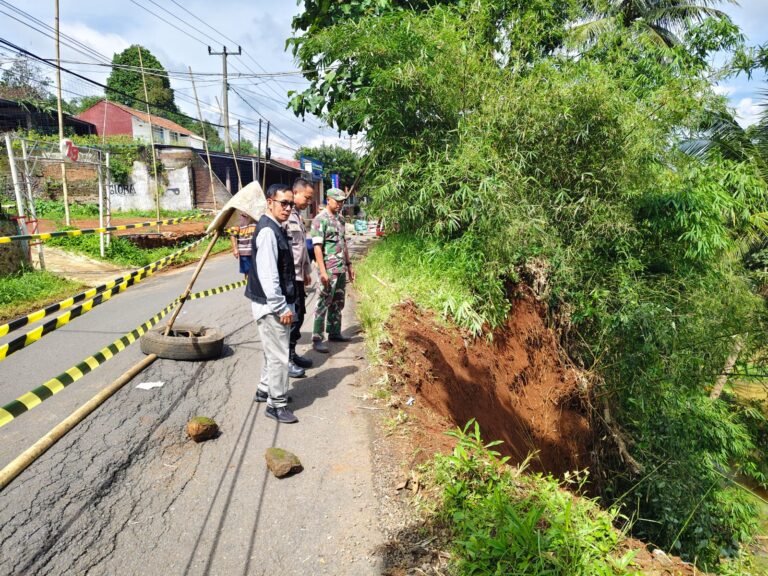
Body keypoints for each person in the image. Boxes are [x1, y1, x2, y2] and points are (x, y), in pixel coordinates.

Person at [245, 183, 299, 424]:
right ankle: (276, 404)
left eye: (291, 204)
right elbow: (269, 276)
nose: (288, 208)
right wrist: (281, 307)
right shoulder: (268, 231)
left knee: (271, 352)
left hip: (269, 304)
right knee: (278, 356)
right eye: (283, 203)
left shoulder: (275, 227)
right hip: (271, 307)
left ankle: (264, 388)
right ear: (270, 202)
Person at [310, 187, 354, 353]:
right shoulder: (320, 220)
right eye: (337, 201)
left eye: (342, 201)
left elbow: (343, 243)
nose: (340, 204)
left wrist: (349, 266)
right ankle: (317, 337)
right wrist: (322, 271)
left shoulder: (341, 219)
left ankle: (334, 332)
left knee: (338, 301)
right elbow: (317, 248)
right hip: (328, 269)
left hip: (341, 268)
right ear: (328, 199)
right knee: (323, 301)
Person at [287, 177, 315, 374]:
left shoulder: (297, 216)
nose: (309, 201)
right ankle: (286, 359)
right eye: (307, 197)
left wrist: (306, 272)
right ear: (295, 193)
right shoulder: (285, 217)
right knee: (293, 318)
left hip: (298, 276)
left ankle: (292, 353)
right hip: (289, 277)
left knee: (300, 315)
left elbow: (302, 249)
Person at [230, 214, 256, 279]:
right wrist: (235, 249)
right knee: (247, 272)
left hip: (256, 251)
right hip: (245, 253)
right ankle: (249, 288)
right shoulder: (237, 220)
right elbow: (232, 235)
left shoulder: (255, 217)